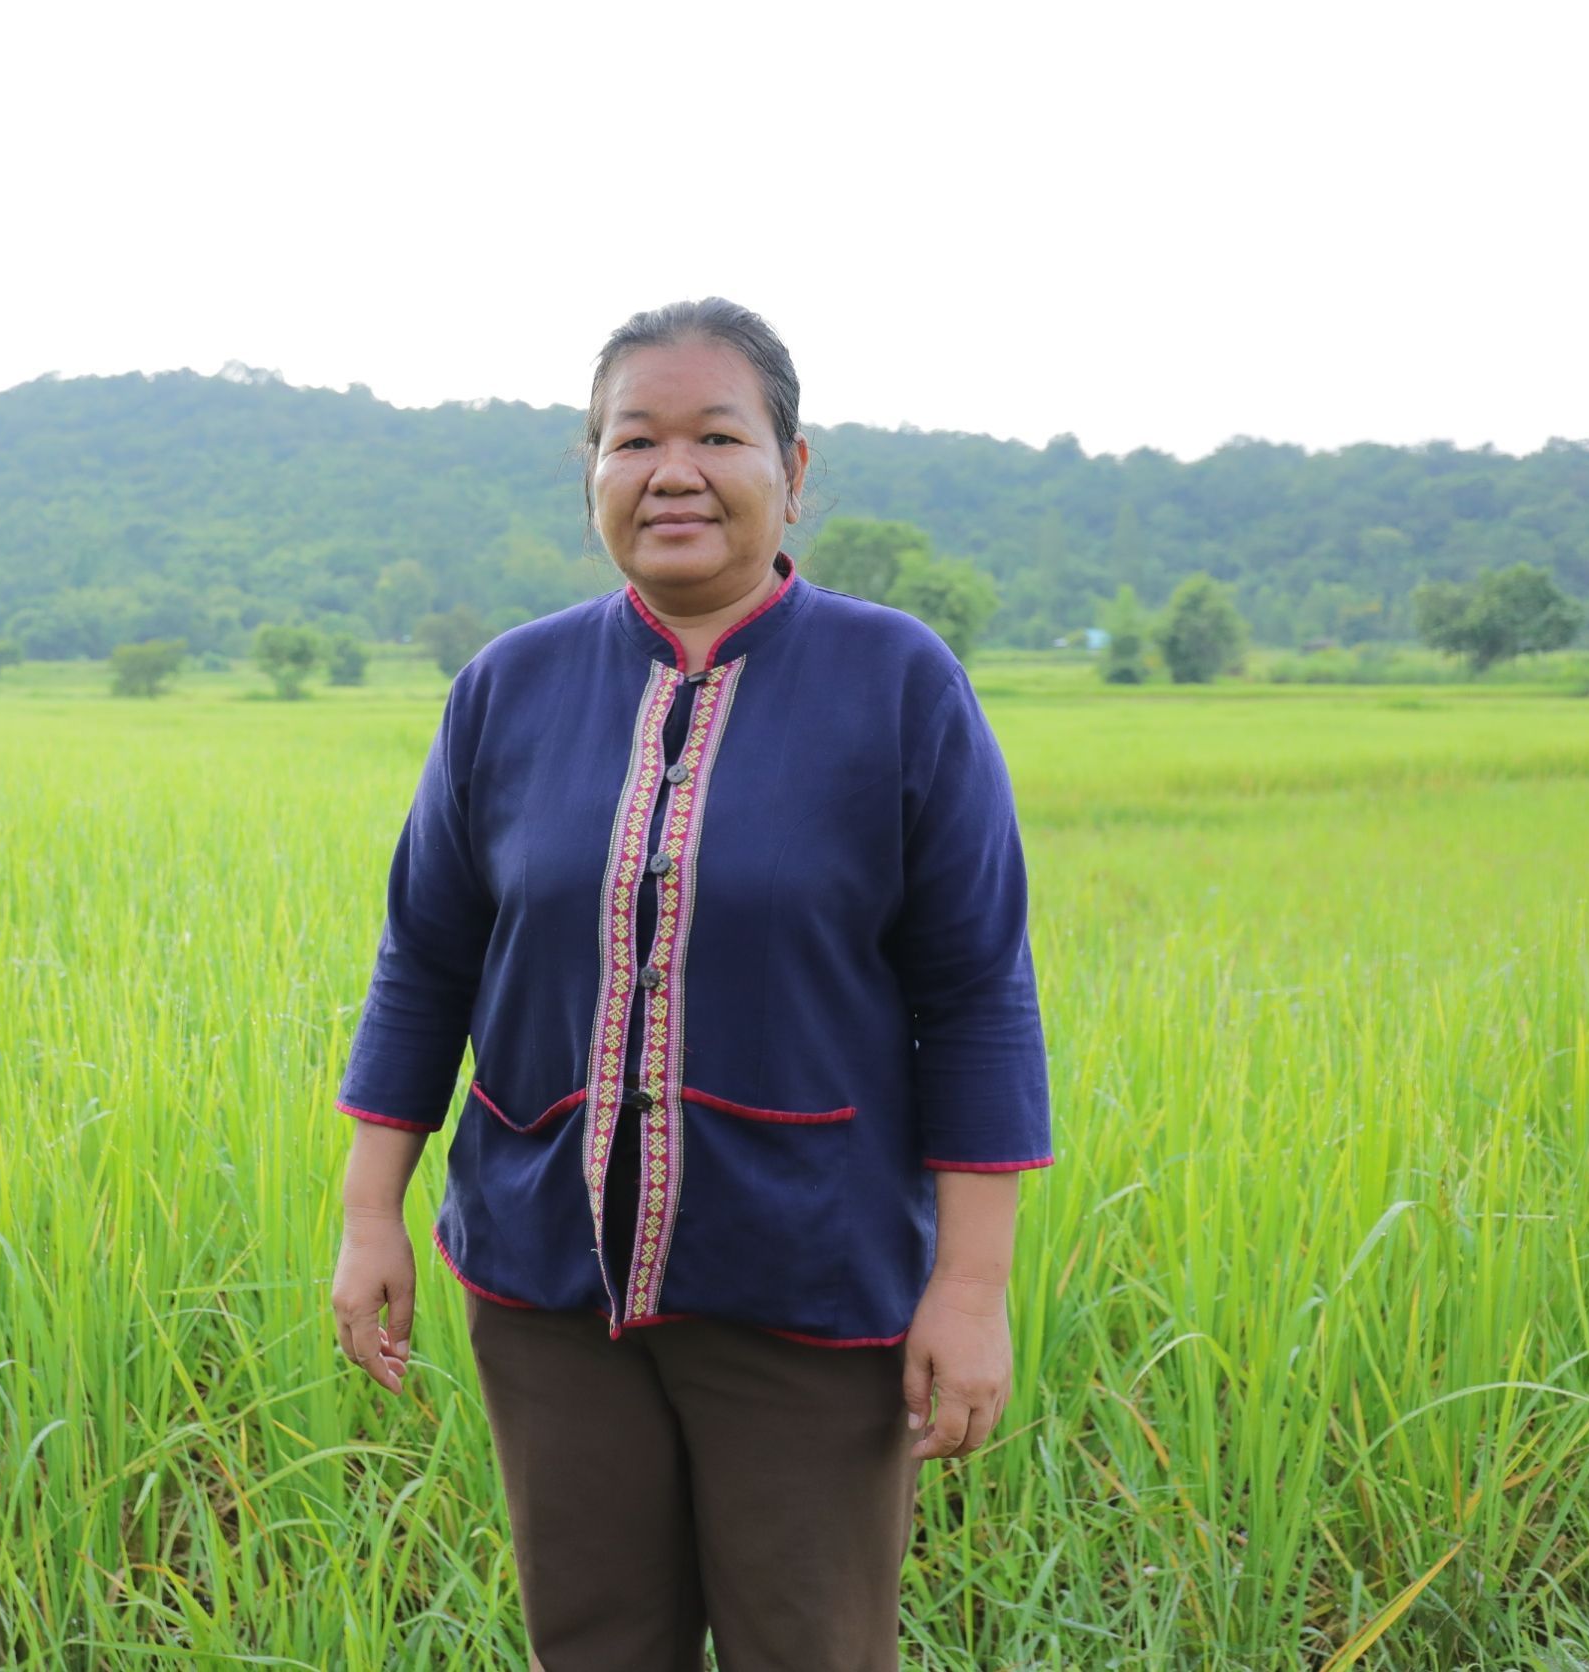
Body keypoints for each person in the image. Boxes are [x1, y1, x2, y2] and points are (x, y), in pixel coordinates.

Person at [327, 297, 1053, 1671]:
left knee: (810, 1645)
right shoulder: (509, 688)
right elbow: (426, 957)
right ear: (590, 470)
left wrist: (971, 1288)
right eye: (632, 438)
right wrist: (374, 1211)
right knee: (594, 1642)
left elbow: (973, 997)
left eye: (718, 434)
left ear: (793, 467)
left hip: (807, 1277)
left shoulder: (897, 682)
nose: (673, 470)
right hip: (549, 1286)